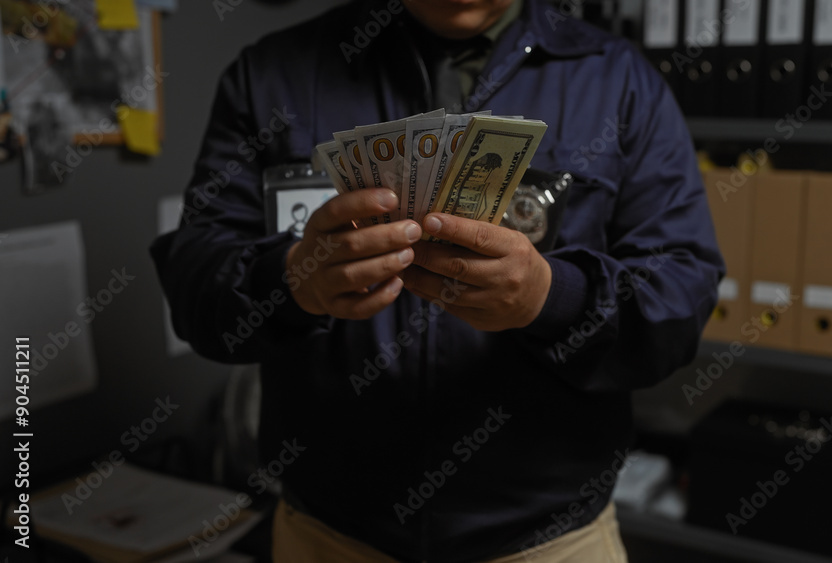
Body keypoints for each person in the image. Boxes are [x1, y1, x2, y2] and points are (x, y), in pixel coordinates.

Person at [150, 0, 725, 561]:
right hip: (327, 536)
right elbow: (195, 283)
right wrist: (289, 283)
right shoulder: (271, 74)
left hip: (551, 541)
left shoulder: (621, 80)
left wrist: (550, 297)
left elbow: (679, 300)